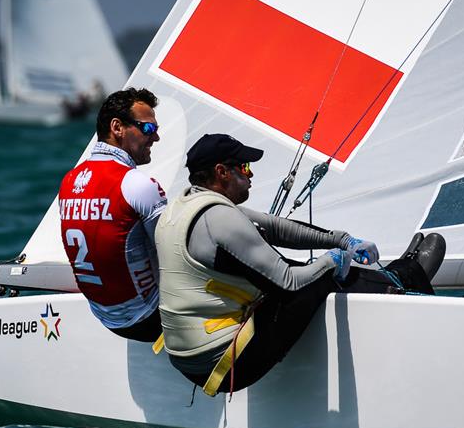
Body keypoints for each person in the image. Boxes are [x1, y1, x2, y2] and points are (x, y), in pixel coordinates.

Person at [155, 133, 445, 395]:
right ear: (221, 173)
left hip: (186, 357)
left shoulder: (184, 207)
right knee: (316, 277)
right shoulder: (220, 219)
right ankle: (406, 278)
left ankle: (387, 278)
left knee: (286, 264)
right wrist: (331, 260)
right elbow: (290, 285)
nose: (251, 174)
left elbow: (277, 228)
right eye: (244, 168)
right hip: (225, 364)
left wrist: (343, 240)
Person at [58, 87, 166, 342]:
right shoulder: (136, 183)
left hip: (104, 317)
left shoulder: (70, 180)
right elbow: (178, 254)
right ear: (117, 127)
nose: (156, 138)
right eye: (148, 129)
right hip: (149, 319)